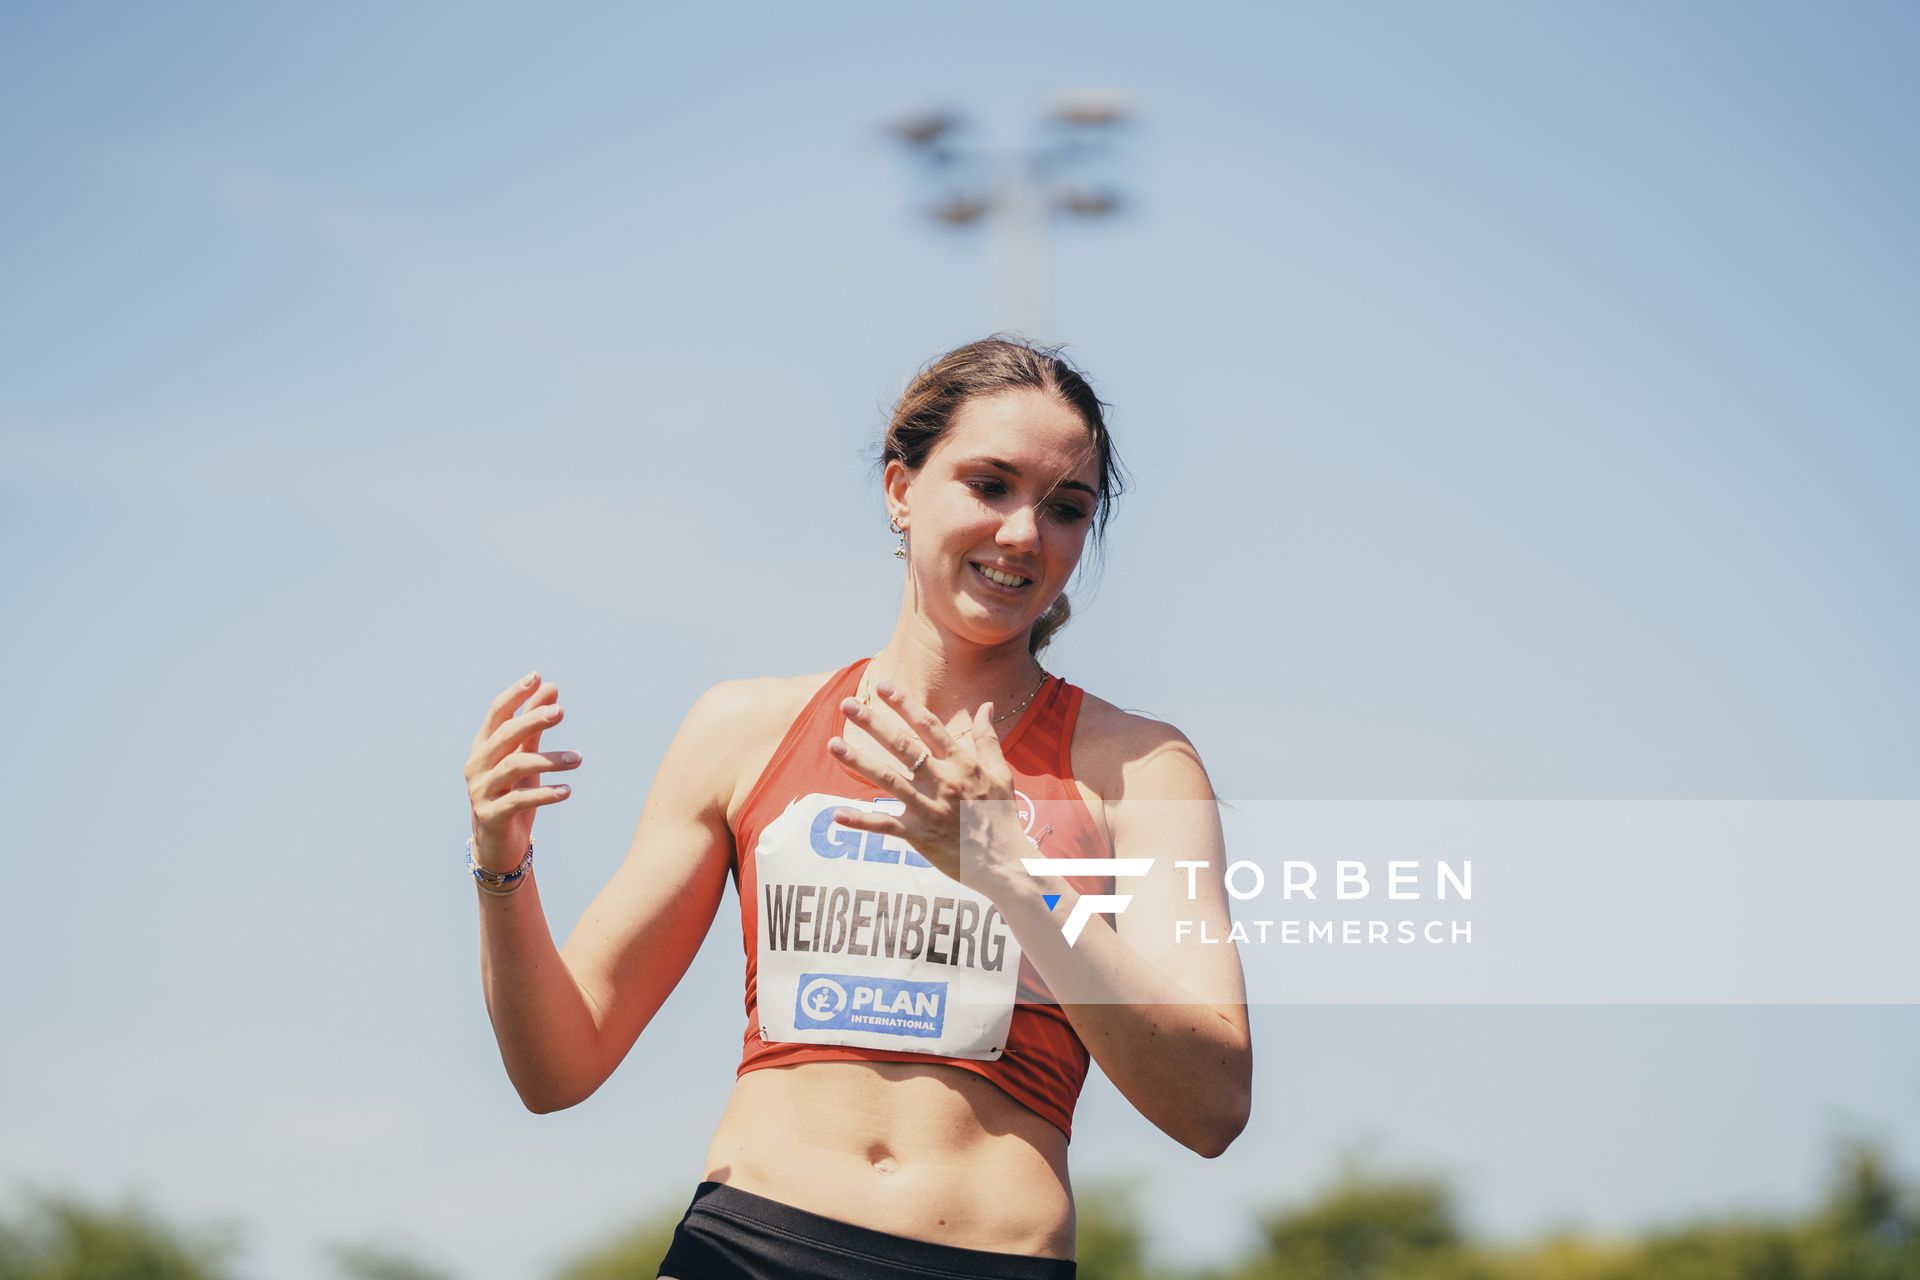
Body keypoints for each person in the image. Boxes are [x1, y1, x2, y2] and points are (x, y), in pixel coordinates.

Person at [464, 335, 1252, 1279]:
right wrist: (502, 870)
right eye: (989, 484)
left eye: (1067, 508)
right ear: (899, 489)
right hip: (745, 1247)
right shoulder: (744, 730)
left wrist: (1011, 876)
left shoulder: (1140, 767)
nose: (1021, 534)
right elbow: (559, 1069)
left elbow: (1212, 1106)